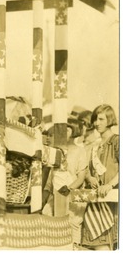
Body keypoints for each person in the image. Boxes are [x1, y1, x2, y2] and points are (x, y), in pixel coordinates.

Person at [42, 119, 88, 244]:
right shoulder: (53, 151)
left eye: (67, 130)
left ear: (71, 132)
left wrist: (69, 188)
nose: (64, 133)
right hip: (55, 196)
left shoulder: (79, 150)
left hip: (72, 195)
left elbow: (81, 177)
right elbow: (51, 177)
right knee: (47, 219)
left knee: (72, 225)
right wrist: (45, 194)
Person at [81, 104, 119, 250]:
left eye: (101, 119)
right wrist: (90, 178)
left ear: (110, 120)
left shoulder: (116, 141)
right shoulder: (94, 146)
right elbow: (88, 171)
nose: (97, 123)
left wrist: (109, 185)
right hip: (97, 201)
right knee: (99, 246)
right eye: (96, 119)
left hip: (113, 200)